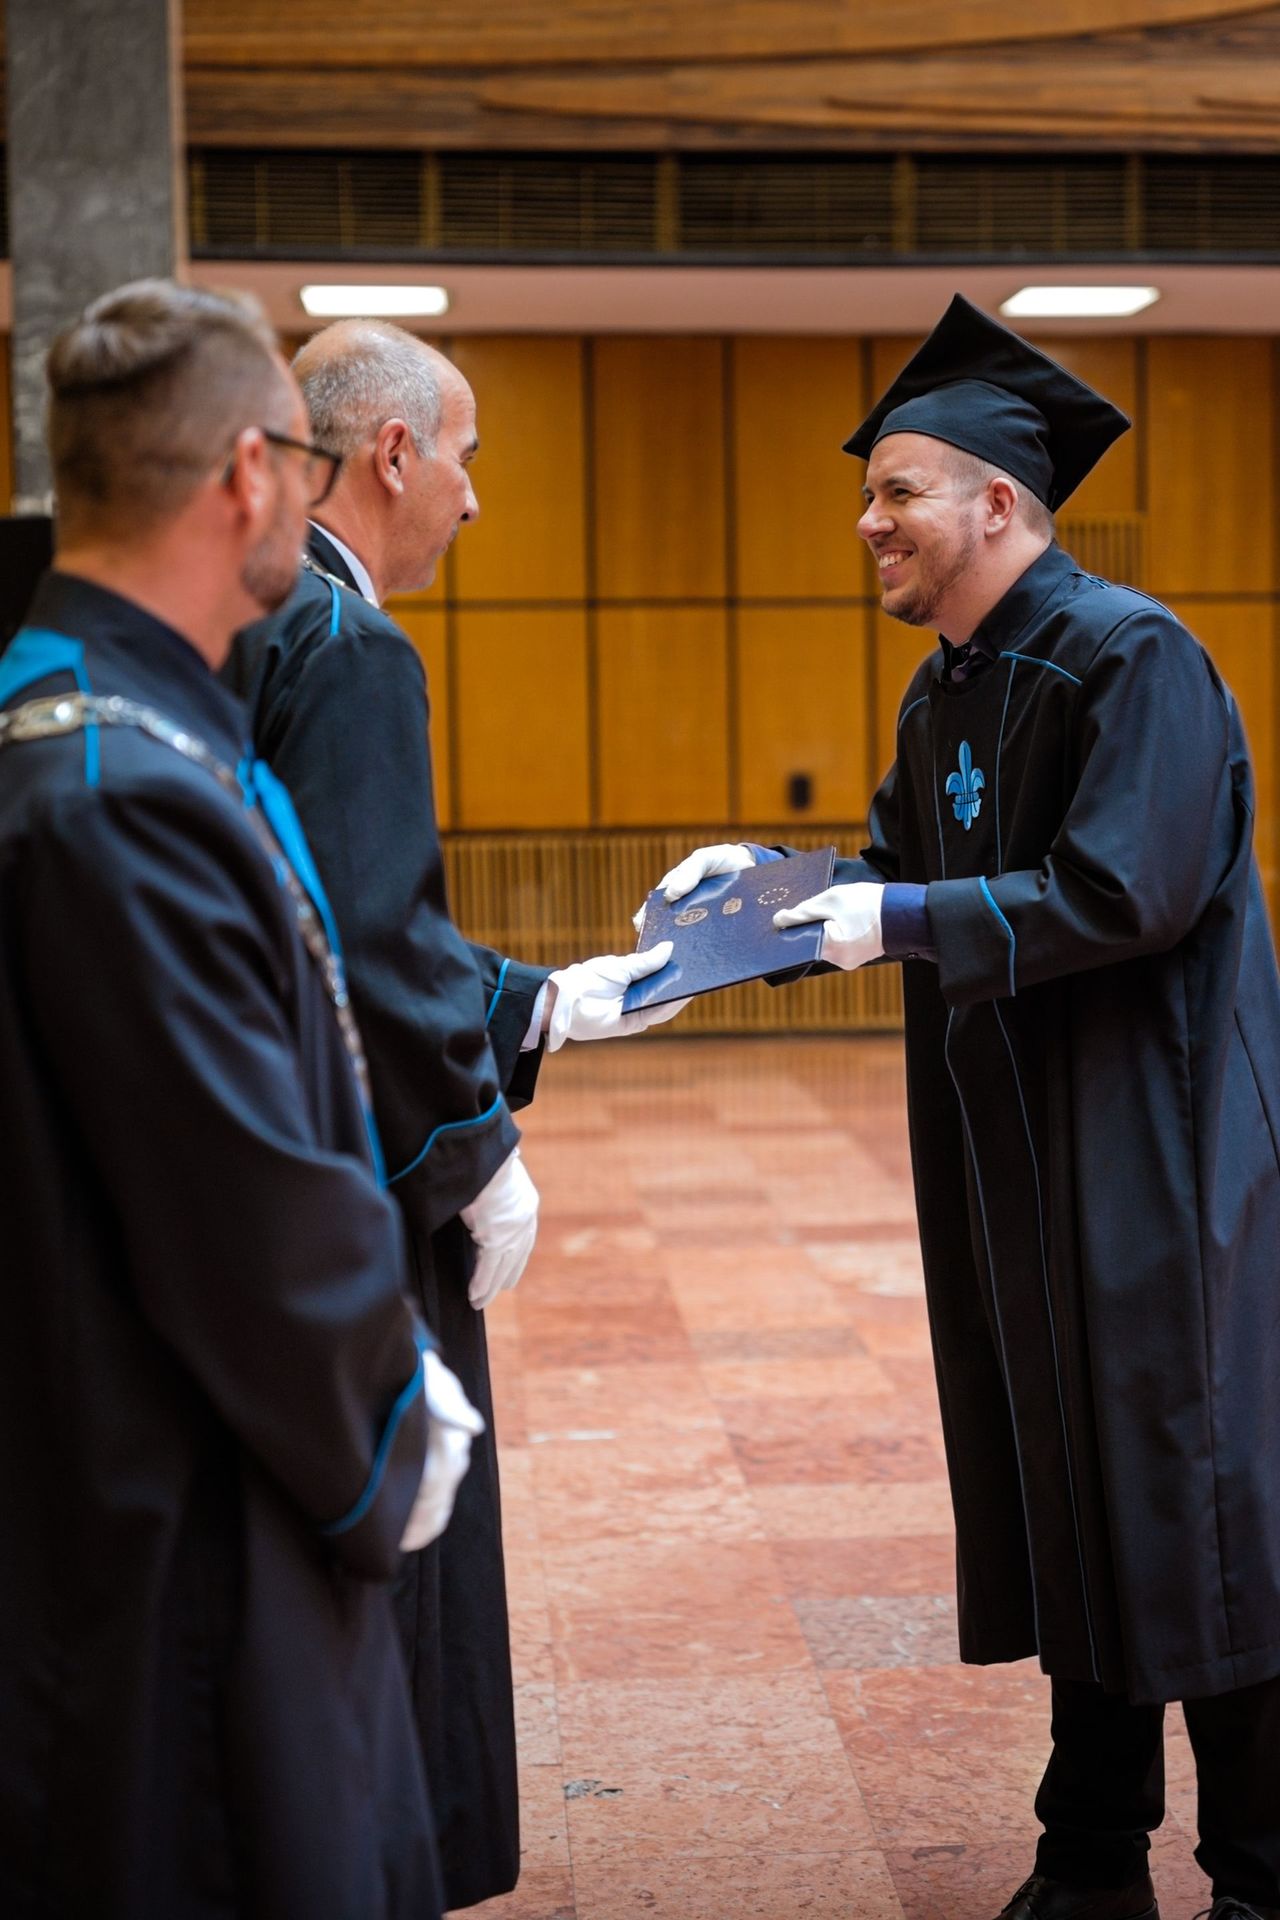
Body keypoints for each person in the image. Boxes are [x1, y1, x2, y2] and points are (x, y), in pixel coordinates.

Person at [656, 296, 1280, 1920]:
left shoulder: (1131, 657)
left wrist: (894, 915)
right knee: (1072, 1481)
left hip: (1157, 1149)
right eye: (869, 495)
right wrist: (758, 890)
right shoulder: (946, 691)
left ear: (998, 501)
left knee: (1193, 1495)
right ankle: (1092, 1858)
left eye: (898, 491)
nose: (869, 522)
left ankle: (1265, 1870)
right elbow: (892, 878)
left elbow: (1125, 891)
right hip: (1021, 1157)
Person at [0, 279, 482, 1920]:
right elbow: (244, 1206)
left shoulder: (121, 717)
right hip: (180, 1501)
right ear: (246, 475)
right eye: (302, 457)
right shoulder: (112, 787)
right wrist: (392, 1413)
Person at [226, 318, 679, 1908]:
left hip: (251, 1164)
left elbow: (315, 916)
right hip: (362, 1179)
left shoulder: (239, 618)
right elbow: (360, 941)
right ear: (394, 450)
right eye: (467, 457)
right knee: (406, 1546)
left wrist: (541, 1000)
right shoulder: (347, 645)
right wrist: (474, 1155)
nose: (476, 500)